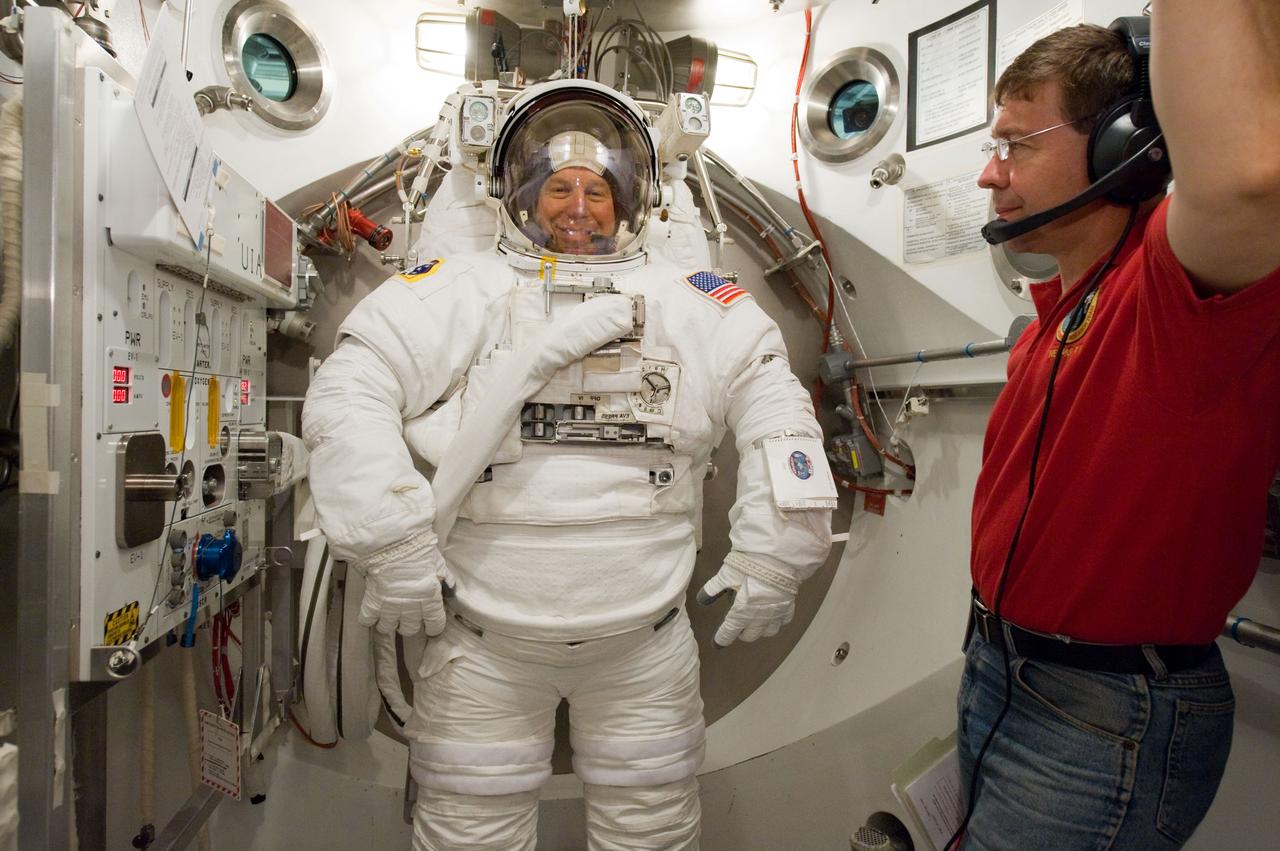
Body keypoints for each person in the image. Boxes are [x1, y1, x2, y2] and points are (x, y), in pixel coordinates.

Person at [302, 79, 832, 851]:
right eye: (558, 186)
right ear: (519, 195)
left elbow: (775, 404)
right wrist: (393, 544)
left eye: (596, 189)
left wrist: (780, 552)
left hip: (642, 648)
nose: (578, 205)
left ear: (630, 204)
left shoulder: (693, 299)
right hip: (483, 644)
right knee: (467, 836)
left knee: (651, 834)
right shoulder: (461, 287)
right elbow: (351, 391)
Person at [958, 5, 1280, 849]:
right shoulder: (1059, 315)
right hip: (1007, 672)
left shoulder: (1174, 294)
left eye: (1017, 143)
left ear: (1125, 148)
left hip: (1104, 713)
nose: (992, 175)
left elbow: (1248, 174)